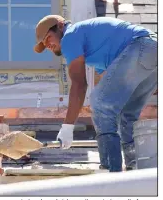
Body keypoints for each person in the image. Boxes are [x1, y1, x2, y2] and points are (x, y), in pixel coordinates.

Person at [34, 15, 157, 172]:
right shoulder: (93, 46)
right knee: (126, 114)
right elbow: (110, 84)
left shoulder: (70, 35)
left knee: (100, 104)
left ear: (59, 26)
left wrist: (67, 126)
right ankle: (135, 167)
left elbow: (79, 84)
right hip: (153, 52)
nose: (48, 45)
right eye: (44, 44)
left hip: (140, 46)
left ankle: (110, 170)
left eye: (48, 38)